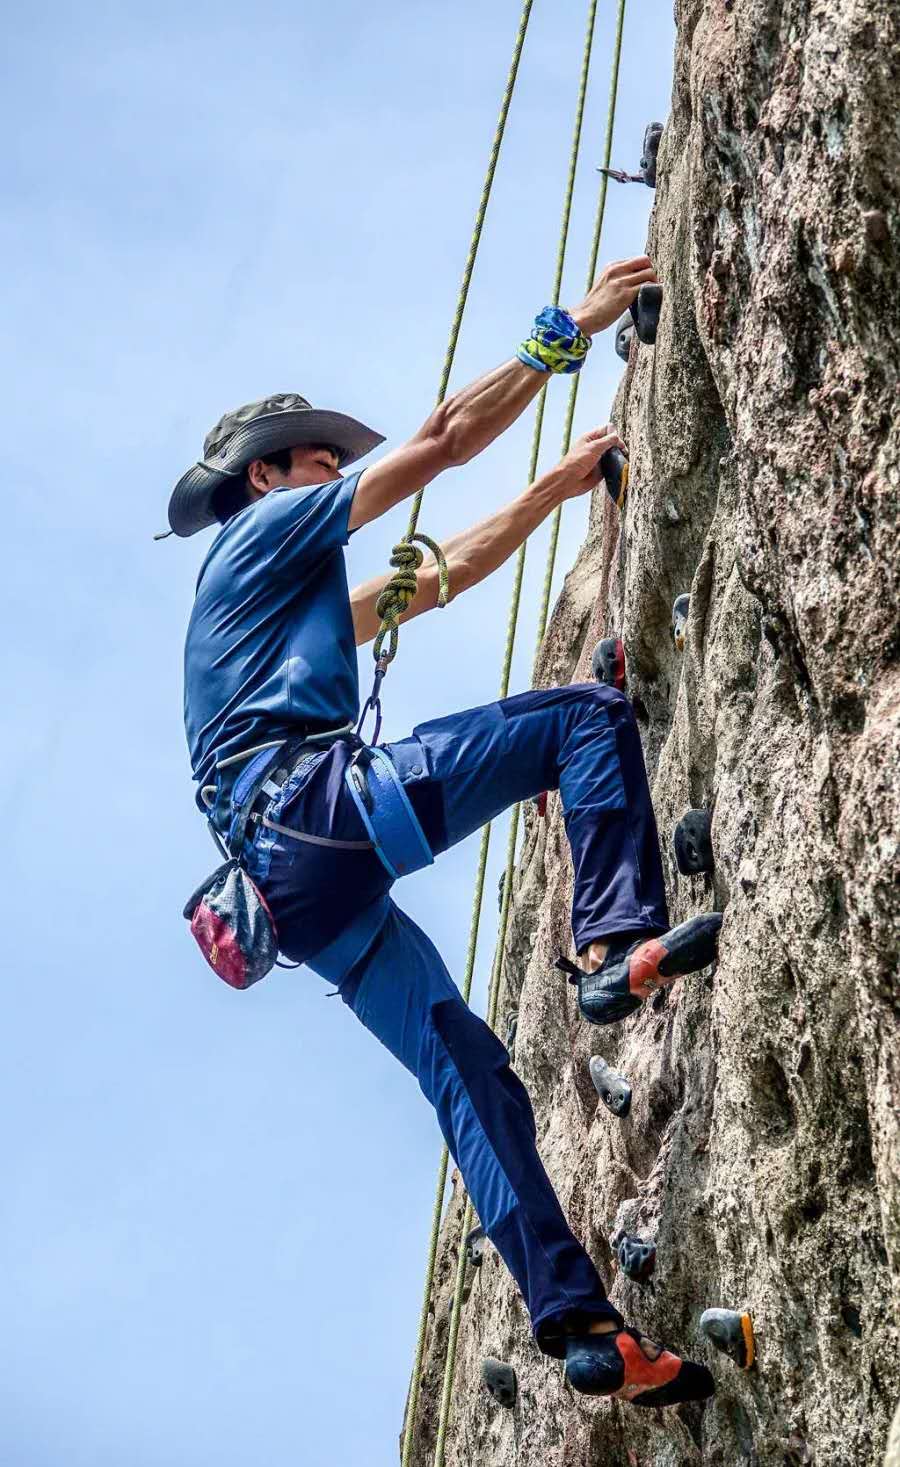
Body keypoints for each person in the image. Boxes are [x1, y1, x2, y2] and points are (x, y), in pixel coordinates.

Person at [170, 257, 720, 1406]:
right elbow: (442, 439)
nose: (338, 468)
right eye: (321, 455)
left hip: (296, 900)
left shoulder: (281, 606)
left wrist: (562, 488)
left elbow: (445, 573)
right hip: (319, 816)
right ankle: (618, 947)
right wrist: (568, 327)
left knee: (467, 1072)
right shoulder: (261, 539)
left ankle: (580, 1326)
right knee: (582, 721)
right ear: (268, 475)